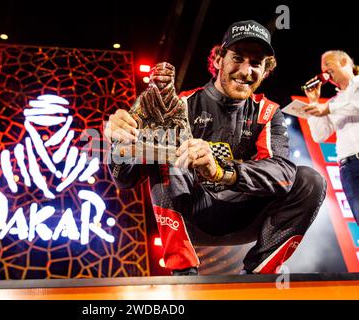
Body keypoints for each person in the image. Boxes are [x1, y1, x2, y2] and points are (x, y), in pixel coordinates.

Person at [104, 20, 327, 275]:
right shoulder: (180, 105)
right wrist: (121, 143)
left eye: (256, 64)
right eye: (238, 58)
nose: (245, 71)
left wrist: (221, 172)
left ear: (266, 71)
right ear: (219, 59)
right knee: (167, 154)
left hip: (248, 218)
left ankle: (258, 276)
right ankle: (182, 271)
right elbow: (124, 179)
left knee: (311, 180)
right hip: (192, 216)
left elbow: (283, 175)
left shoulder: (268, 112)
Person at [303, 50, 359, 225]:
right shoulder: (333, 102)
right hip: (348, 168)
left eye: (328, 64)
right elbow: (320, 135)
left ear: (343, 61)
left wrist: (327, 110)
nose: (324, 70)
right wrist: (314, 102)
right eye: (322, 67)